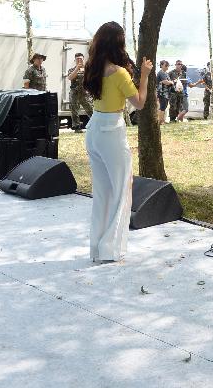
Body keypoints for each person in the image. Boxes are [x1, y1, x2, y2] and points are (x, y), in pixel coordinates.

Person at [83, 21, 153, 263]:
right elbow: (140, 103)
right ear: (118, 43)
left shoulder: (93, 67)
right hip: (111, 130)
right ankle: (110, 249)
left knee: (102, 192)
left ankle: (97, 248)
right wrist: (144, 76)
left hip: (93, 129)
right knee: (122, 189)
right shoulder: (119, 72)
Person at [67, 52, 93, 132]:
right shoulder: (72, 70)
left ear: (83, 59)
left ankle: (94, 125)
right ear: (75, 60)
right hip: (74, 93)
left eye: (80, 59)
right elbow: (70, 77)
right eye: (77, 59)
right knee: (74, 111)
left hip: (85, 94)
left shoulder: (88, 69)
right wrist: (77, 68)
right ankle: (77, 128)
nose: (79, 60)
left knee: (90, 110)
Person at [156, 60, 174, 124]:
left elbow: (168, 81)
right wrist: (172, 82)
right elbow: (165, 82)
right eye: (165, 65)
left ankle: (162, 120)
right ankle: (160, 121)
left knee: (165, 106)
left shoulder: (166, 73)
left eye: (168, 65)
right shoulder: (161, 73)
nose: (167, 67)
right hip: (162, 93)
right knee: (162, 106)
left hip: (166, 93)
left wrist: (171, 82)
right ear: (161, 65)